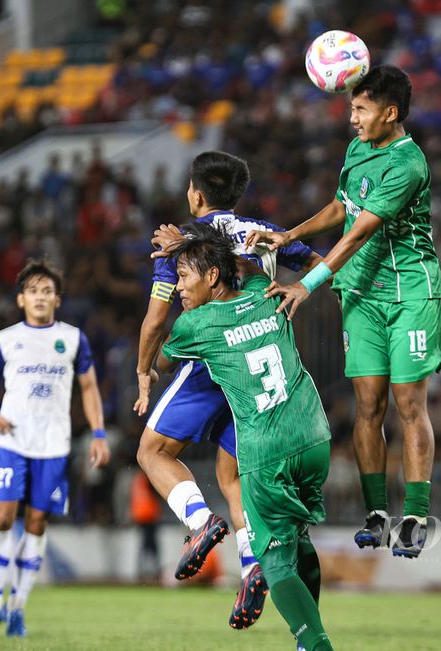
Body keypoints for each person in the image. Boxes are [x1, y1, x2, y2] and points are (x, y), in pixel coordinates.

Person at [245, 66, 441, 558]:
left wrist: (306, 284)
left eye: (360, 109)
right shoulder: (359, 149)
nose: (352, 118)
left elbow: (360, 234)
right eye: (352, 108)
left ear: (390, 113)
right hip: (361, 296)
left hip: (409, 296)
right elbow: (343, 207)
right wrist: (291, 235)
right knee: (368, 406)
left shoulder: (408, 165)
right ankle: (377, 516)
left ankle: (416, 517)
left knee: (408, 405)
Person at [133, 150, 321, 629]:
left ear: (196, 193)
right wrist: (298, 291)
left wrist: (143, 370)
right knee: (231, 476)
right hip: (261, 374)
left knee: (152, 451)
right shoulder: (262, 232)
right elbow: (318, 261)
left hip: (211, 359)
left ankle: (200, 523)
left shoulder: (183, 246)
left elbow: (157, 318)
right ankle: (252, 562)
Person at [156, 223, 333, 651]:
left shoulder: (195, 324)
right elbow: (245, 266)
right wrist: (202, 250)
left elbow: (161, 360)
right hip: (314, 436)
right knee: (301, 537)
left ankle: (315, 644)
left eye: (184, 275)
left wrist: (178, 256)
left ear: (211, 276)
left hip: (265, 450)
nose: (179, 286)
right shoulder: (264, 291)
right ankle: (309, 635)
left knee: (273, 560)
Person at [0, 259, 111, 637]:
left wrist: (98, 433)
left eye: (47, 291)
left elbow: (88, 387)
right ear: (21, 299)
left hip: (53, 445)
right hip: (13, 440)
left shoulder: (73, 339)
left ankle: (16, 609)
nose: (40, 297)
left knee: (36, 523)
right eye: (33, 290)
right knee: (2, 517)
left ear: (57, 300)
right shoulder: (5, 339)